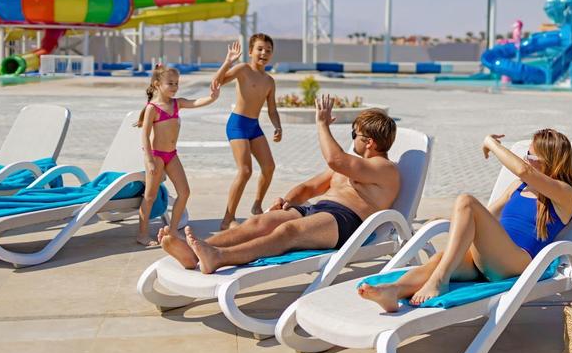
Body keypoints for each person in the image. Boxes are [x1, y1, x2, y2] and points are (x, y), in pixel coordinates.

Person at [158, 96, 400, 274]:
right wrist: (288, 200)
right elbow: (310, 187)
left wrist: (322, 125)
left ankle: (218, 257)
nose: (352, 139)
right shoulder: (352, 165)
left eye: (353, 134)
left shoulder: (385, 169)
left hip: (345, 221)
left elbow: (334, 158)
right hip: (317, 210)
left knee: (287, 233)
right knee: (259, 222)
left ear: (369, 142)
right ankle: (196, 251)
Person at [358, 128, 572, 312]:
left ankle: (439, 281)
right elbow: (485, 215)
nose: (525, 160)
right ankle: (393, 291)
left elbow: (523, 171)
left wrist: (491, 144)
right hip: (490, 258)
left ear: (550, 160)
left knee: (466, 200)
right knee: (440, 260)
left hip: (518, 261)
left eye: (530, 155)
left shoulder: (564, 193)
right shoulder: (519, 187)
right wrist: (447, 219)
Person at [135, 65, 221, 246]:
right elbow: (144, 135)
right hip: (157, 156)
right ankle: (142, 234)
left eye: (177, 83)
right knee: (150, 196)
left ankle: (172, 230)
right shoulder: (153, 108)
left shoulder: (177, 103)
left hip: (171, 155)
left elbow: (196, 102)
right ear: (157, 84)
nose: (174, 87)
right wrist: (149, 159)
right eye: (170, 83)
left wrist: (212, 97)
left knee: (184, 192)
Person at [213, 35, 282, 229]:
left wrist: (277, 126)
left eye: (268, 50)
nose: (264, 53)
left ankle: (257, 206)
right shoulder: (243, 69)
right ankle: (227, 219)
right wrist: (228, 62)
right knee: (245, 170)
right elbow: (218, 81)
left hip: (254, 126)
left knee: (269, 167)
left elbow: (272, 109)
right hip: (238, 124)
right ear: (251, 51)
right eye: (260, 49)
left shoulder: (269, 81)